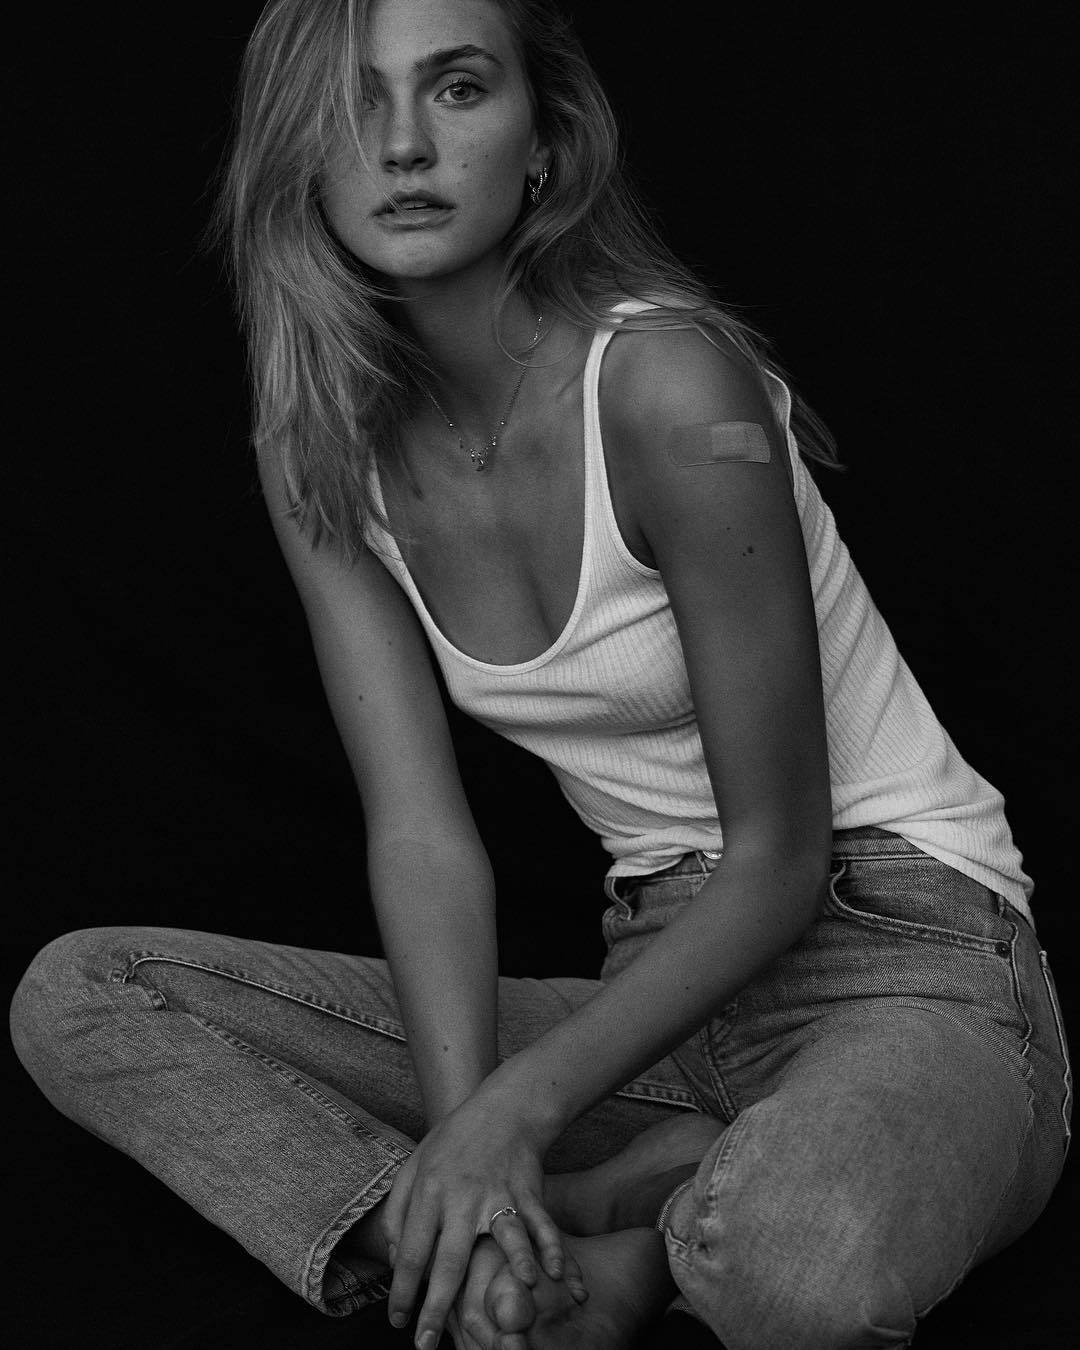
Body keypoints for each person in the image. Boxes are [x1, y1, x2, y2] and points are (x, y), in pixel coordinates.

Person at [10, 1, 1071, 1347]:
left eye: (457, 88)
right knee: (86, 995)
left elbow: (782, 859)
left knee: (803, 1271)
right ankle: (525, 1233)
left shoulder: (672, 386)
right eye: (356, 103)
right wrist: (473, 1140)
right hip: (654, 1000)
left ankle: (648, 1241)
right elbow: (420, 835)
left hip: (902, 960)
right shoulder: (318, 443)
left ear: (546, 143)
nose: (404, 145)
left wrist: (515, 1114)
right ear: (298, 153)